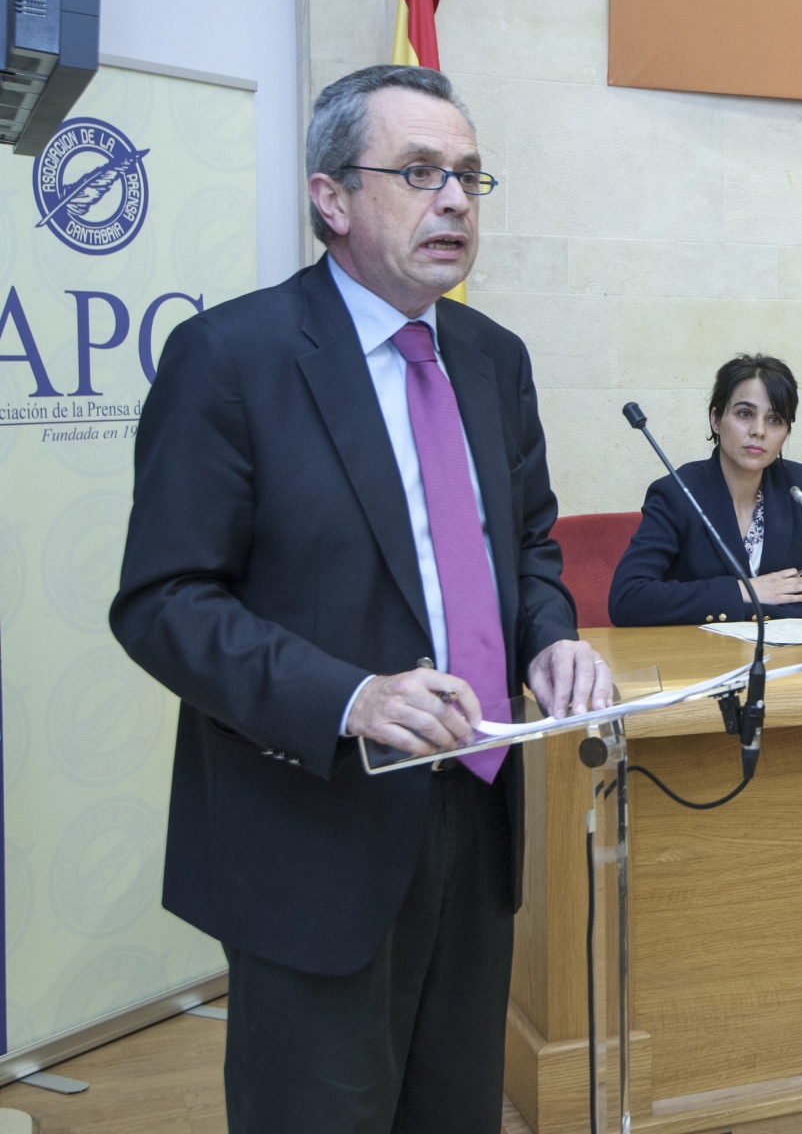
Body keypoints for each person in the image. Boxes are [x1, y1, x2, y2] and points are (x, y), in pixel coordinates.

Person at [109, 65, 609, 1133]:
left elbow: (525, 545)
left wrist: (551, 637)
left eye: (468, 175)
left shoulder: (493, 358)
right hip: (314, 823)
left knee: (454, 1110)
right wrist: (350, 697)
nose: (455, 200)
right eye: (420, 172)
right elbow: (164, 601)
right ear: (330, 198)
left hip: (478, 803)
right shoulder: (231, 358)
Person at [609, 354, 802, 625]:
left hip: (785, 650)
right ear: (715, 419)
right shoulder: (676, 493)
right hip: (698, 649)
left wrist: (756, 609)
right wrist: (743, 592)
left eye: (774, 419)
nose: (759, 431)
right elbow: (628, 597)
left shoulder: (798, 486)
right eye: (745, 414)